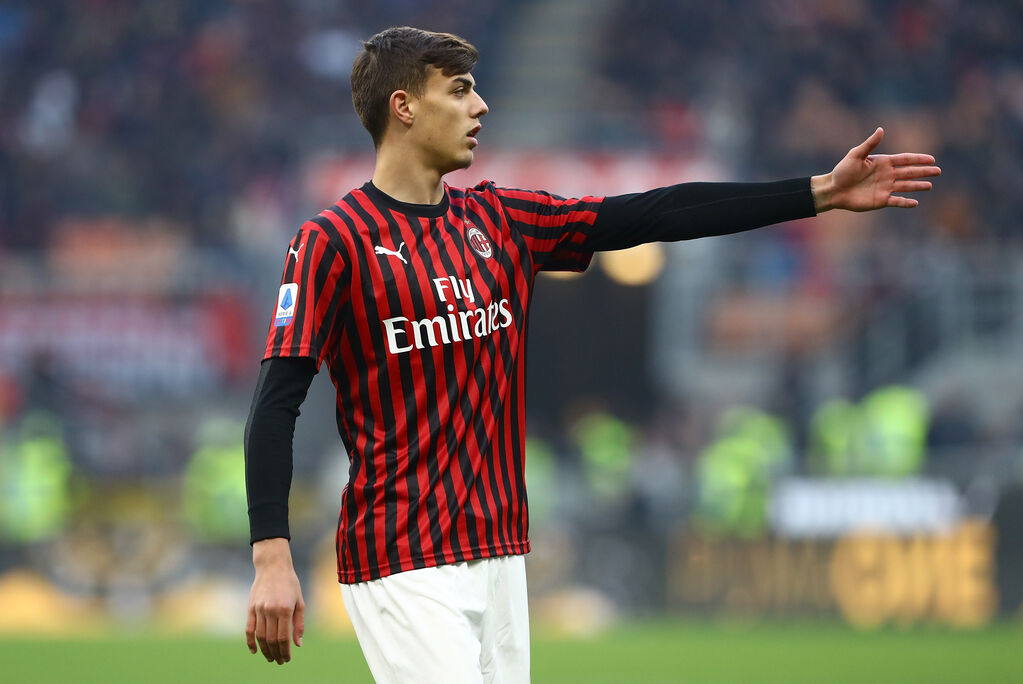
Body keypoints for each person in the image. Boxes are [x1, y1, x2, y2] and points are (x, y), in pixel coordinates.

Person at [243, 26, 940, 681]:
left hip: (500, 552)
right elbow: (276, 403)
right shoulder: (334, 241)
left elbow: (654, 212)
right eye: (457, 90)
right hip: (401, 557)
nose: (480, 106)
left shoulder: (499, 220)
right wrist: (272, 554)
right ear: (402, 107)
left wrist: (815, 192)